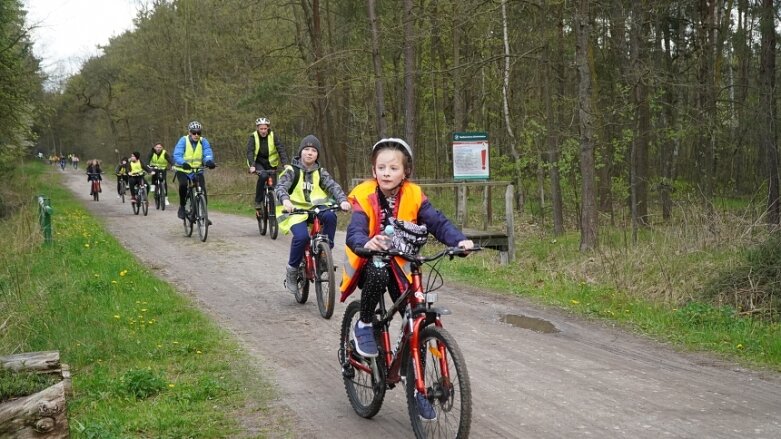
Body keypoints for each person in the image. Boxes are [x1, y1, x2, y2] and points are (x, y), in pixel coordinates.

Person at [340, 138, 474, 363]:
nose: (386, 173)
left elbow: (437, 223)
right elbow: (355, 229)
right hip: (368, 261)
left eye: (393, 168)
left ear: (405, 172)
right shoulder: (364, 195)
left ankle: (418, 388)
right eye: (381, 168)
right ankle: (364, 323)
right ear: (374, 170)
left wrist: (459, 241)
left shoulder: (414, 195)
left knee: (415, 319)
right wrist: (365, 243)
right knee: (378, 272)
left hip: (400, 264)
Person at [275, 134, 351, 294]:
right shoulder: (291, 170)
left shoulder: (320, 172)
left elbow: (333, 187)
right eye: (306, 149)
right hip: (295, 211)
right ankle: (292, 270)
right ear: (301, 152)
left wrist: (342, 200)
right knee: (302, 237)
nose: (310, 153)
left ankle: (324, 253)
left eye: (313, 150)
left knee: (330, 216)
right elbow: (280, 187)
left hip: (316, 208)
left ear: (317, 155)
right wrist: (286, 201)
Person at [173, 121, 215, 220]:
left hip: (197, 170)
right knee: (183, 185)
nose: (196, 135)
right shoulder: (183, 140)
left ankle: (203, 214)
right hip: (182, 169)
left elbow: (207, 152)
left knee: (202, 190)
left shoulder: (203, 141)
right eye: (194, 132)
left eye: (198, 133)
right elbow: (177, 154)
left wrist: (209, 161)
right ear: (189, 132)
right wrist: (183, 163)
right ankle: (182, 207)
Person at [247, 117, 289, 209]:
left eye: (265, 128)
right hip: (257, 163)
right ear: (257, 128)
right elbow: (250, 151)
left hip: (271, 163)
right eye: (261, 129)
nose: (263, 131)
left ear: (268, 128)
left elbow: (281, 149)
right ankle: (258, 201)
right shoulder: (253, 136)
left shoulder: (273, 136)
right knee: (263, 176)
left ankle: (274, 207)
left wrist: (285, 163)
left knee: (274, 186)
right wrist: (252, 166)